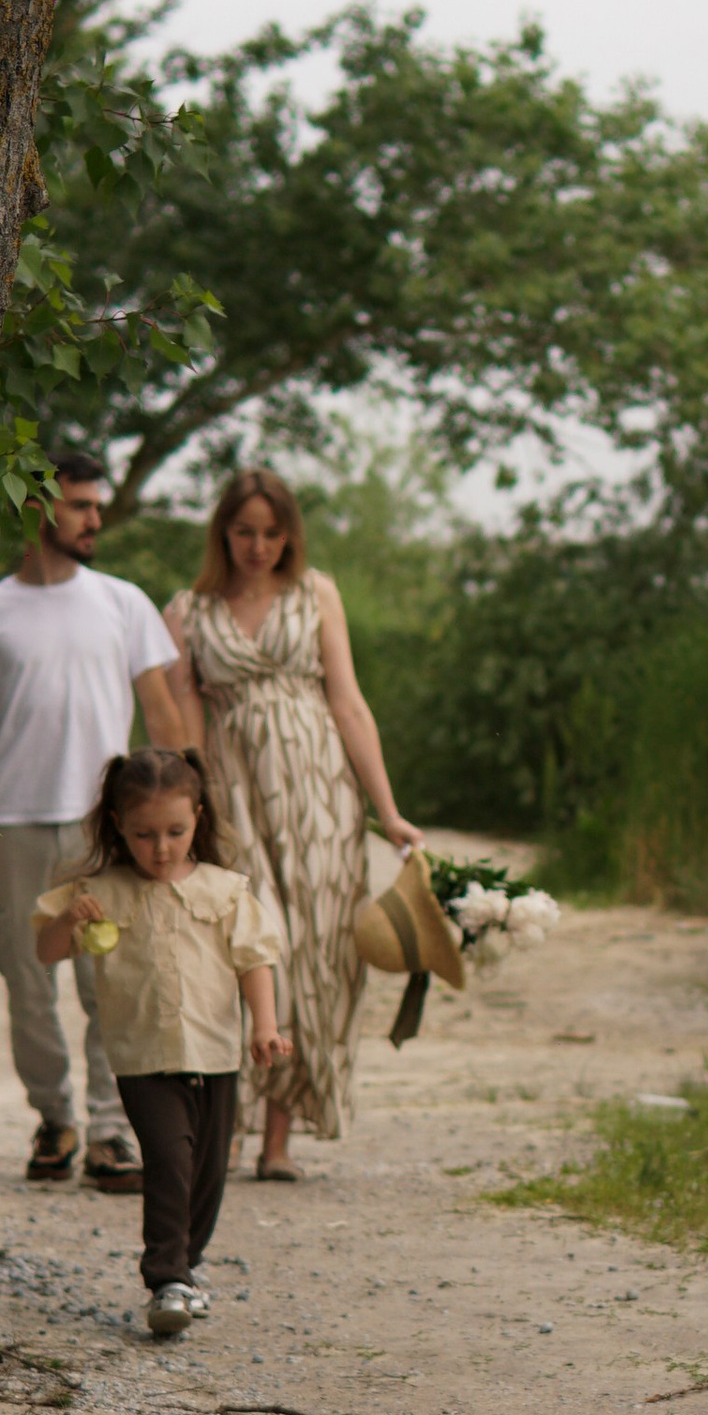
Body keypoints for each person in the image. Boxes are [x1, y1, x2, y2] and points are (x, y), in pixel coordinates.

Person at [163, 468, 422, 1180]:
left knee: (317, 953)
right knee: (248, 947)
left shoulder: (316, 594)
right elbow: (184, 719)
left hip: (321, 796)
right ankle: (230, 1130)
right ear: (223, 533)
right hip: (236, 793)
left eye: (273, 533)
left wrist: (388, 811)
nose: (259, 546)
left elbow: (349, 705)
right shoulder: (189, 610)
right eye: (244, 531)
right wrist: (193, 807)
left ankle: (279, 1138)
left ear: (290, 536)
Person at [0, 454, 188, 1191]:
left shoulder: (123, 602)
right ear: (36, 510)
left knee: (109, 981)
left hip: (104, 830)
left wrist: (183, 818)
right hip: (13, 824)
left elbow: (163, 711)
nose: (94, 520)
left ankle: (112, 1132)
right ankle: (55, 1120)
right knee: (26, 983)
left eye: (96, 505)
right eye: (81, 505)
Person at [31, 749, 288, 1339]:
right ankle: (166, 1277)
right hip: (142, 1056)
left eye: (176, 831)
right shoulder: (101, 891)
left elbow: (255, 961)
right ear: (118, 824)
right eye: (145, 835)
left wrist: (265, 1027)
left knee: (208, 1170)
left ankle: (188, 1268)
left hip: (217, 1051)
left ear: (199, 817)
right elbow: (47, 953)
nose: (162, 847)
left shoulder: (226, 890)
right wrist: (69, 919)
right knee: (169, 1159)